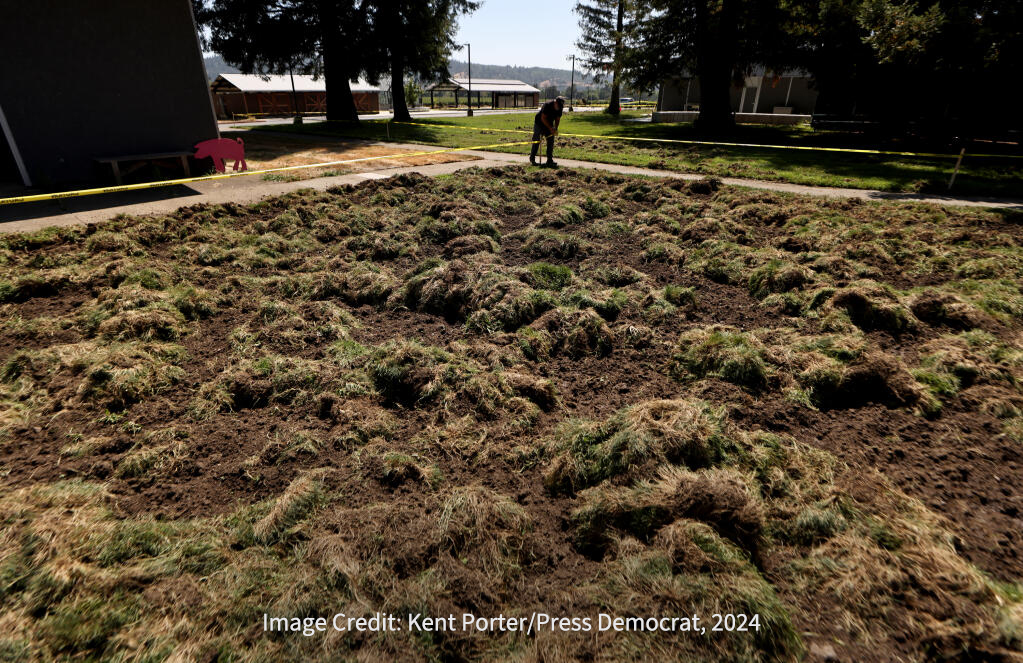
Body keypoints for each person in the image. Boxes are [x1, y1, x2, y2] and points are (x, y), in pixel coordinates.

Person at [530, 96, 565, 167]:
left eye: (560, 106)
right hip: (539, 123)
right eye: (558, 105)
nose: (558, 108)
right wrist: (550, 127)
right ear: (555, 102)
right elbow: (543, 118)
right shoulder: (547, 105)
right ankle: (532, 159)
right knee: (536, 141)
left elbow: (557, 119)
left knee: (550, 141)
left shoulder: (560, 108)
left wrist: (555, 128)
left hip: (549, 123)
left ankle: (549, 160)